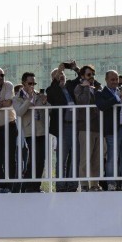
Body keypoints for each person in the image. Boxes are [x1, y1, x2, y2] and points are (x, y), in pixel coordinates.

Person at [14, 71, 49, 193]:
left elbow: (48, 112)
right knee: (33, 159)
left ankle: (35, 187)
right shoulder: (18, 97)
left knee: (41, 159)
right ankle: (27, 187)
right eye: (30, 83)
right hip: (29, 132)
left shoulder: (38, 95)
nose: (32, 85)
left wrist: (45, 103)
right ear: (23, 83)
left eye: (34, 83)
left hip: (41, 130)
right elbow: (19, 112)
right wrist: (28, 100)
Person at [46, 63, 79, 192]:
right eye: (58, 76)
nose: (61, 77)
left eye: (63, 75)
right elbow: (53, 89)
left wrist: (75, 68)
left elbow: (82, 78)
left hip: (76, 126)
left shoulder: (70, 87)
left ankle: (72, 185)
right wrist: (59, 70)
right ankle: (60, 185)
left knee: (75, 157)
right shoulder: (51, 90)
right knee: (62, 158)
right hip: (63, 127)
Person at [96, 70, 122, 191]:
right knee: (112, 157)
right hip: (112, 129)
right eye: (112, 79)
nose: (115, 82)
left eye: (116, 79)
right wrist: (117, 97)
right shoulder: (101, 92)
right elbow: (102, 105)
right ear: (106, 80)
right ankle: (111, 183)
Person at [69, 65, 102, 191]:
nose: (92, 77)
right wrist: (86, 87)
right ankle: (84, 184)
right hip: (85, 127)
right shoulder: (79, 88)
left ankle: (94, 184)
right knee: (85, 158)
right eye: (89, 74)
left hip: (98, 127)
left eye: (93, 74)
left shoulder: (98, 88)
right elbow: (83, 102)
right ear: (82, 76)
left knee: (96, 159)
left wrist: (93, 87)